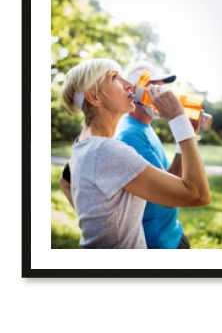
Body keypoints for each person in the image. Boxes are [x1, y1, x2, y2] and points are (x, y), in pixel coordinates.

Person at [61, 58, 211, 249]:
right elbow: (198, 195)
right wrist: (179, 120)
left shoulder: (85, 145)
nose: (129, 86)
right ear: (95, 97)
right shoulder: (107, 150)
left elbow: (65, 181)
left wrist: (97, 221)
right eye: (115, 77)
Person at [115, 61, 201, 249]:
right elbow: (169, 195)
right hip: (157, 243)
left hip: (172, 232)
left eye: (163, 88)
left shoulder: (144, 126)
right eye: (155, 88)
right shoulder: (130, 134)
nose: (164, 95)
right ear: (135, 91)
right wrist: (183, 135)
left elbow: (169, 176)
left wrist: (186, 135)